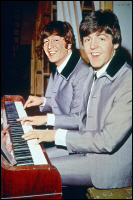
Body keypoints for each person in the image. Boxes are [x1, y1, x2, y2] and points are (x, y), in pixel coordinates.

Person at [20, 10, 132, 189]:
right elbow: (80, 120)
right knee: (29, 159)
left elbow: (107, 141)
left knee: (32, 172)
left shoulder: (128, 82)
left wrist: (54, 134)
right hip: (84, 148)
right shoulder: (93, 73)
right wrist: (47, 130)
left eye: (101, 38)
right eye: (87, 39)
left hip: (105, 165)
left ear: (116, 42)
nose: (93, 46)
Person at [17, 21, 89, 131]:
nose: (49, 46)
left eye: (55, 40)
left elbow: (78, 119)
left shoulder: (83, 73)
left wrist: (46, 119)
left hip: (74, 140)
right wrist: (43, 101)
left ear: (69, 44)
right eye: (46, 41)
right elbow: (66, 102)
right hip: (59, 132)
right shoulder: (60, 65)